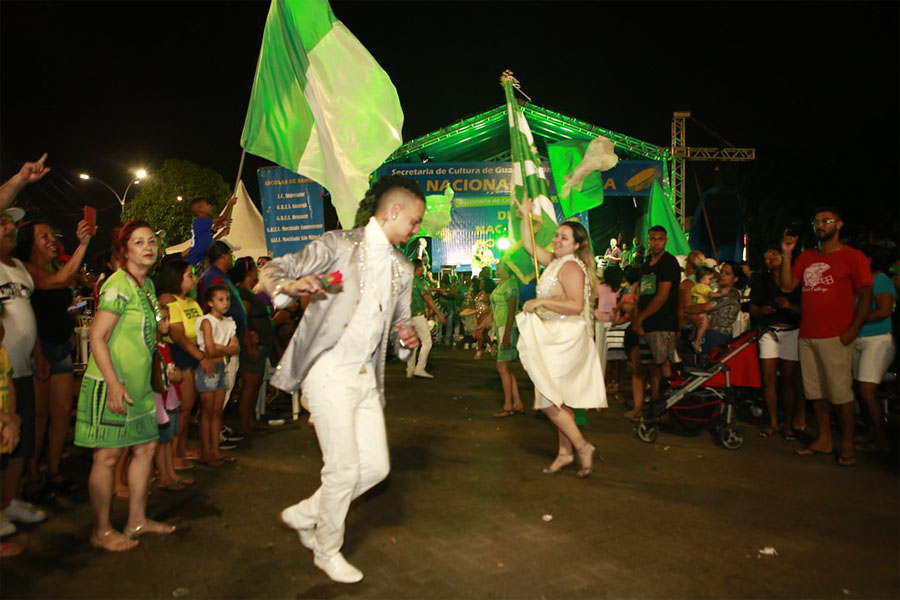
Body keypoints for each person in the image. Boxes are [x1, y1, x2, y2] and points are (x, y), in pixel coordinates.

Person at [261, 176, 423, 584]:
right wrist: (289, 285)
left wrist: (406, 336)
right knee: (344, 469)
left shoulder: (403, 269)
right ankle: (325, 549)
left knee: (376, 468)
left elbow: (399, 324)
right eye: (414, 221)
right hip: (326, 369)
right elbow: (272, 272)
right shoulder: (336, 245)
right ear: (394, 212)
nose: (416, 230)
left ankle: (304, 514)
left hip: (366, 376)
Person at [74, 220, 175, 552]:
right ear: (124, 250)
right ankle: (101, 530)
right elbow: (98, 337)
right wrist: (114, 384)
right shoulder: (118, 283)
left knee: (146, 448)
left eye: (151, 242)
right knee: (107, 457)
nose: (148, 247)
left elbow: (144, 332)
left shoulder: (145, 285)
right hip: (111, 384)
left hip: (140, 386)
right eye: (138, 242)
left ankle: (137, 520)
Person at [513, 197, 606, 479]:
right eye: (556, 235)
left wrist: (541, 303)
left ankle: (581, 446)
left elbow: (576, 305)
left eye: (563, 237)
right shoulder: (556, 261)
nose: (556, 239)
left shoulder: (571, 267)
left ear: (577, 244)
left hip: (566, 336)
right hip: (555, 334)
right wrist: (524, 217)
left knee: (547, 398)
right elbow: (530, 246)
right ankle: (565, 453)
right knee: (557, 398)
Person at [780, 207, 873, 467]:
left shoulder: (852, 257)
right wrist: (787, 255)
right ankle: (823, 438)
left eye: (826, 221)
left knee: (840, 393)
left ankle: (847, 443)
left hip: (836, 336)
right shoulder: (807, 257)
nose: (820, 225)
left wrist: (853, 329)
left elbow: (866, 295)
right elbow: (787, 286)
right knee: (816, 392)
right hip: (808, 334)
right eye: (817, 221)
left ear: (839, 225)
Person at [14, 218, 93, 496]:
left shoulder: (55, 267)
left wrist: (70, 331)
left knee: (61, 414)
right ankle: (33, 473)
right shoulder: (26, 270)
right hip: (41, 350)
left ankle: (54, 470)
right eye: (43, 236)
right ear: (29, 243)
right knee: (40, 416)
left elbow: (63, 297)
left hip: (61, 348)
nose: (51, 239)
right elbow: (57, 283)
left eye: (52, 234)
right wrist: (83, 244)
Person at [0, 206, 49, 528]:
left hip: (22, 368)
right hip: (1, 371)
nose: (9, 227)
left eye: (11, 223)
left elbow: (26, 311)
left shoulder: (19, 267)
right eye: (2, 222)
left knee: (20, 439)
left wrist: (38, 352)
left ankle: (9, 502)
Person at [156, 259, 210, 468]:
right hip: (181, 355)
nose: (194, 279)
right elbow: (179, 336)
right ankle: (172, 456)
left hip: (194, 354)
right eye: (189, 275)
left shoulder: (191, 301)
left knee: (189, 406)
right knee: (182, 407)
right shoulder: (170, 302)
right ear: (176, 278)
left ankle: (182, 448)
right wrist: (201, 356)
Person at [749, 249, 803, 440]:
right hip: (768, 331)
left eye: (774, 255)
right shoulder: (761, 279)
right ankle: (773, 421)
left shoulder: (795, 280)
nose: (770, 259)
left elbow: (803, 309)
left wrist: (787, 306)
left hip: (791, 331)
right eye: (767, 256)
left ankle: (788, 424)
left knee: (789, 380)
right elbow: (752, 308)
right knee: (769, 379)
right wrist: (762, 311)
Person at [630, 226, 681, 412]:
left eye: (660, 239)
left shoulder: (669, 262)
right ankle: (656, 407)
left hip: (662, 323)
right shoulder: (645, 264)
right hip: (646, 326)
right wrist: (637, 318)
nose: (656, 242)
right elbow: (641, 292)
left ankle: (669, 410)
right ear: (648, 240)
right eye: (653, 239)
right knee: (651, 368)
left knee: (664, 367)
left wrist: (640, 318)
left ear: (665, 241)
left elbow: (662, 296)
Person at [852, 245, 895, 452]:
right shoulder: (860, 282)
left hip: (877, 339)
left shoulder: (881, 281)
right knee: (861, 390)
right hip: (858, 339)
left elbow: (885, 310)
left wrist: (855, 320)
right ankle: (871, 433)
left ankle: (881, 437)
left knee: (867, 390)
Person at [194, 284, 239, 467]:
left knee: (217, 411)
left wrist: (222, 348)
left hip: (222, 367)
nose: (225, 303)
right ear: (210, 302)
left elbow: (236, 347)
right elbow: (210, 349)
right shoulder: (206, 321)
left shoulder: (228, 322)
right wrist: (224, 349)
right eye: (220, 300)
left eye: (227, 299)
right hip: (210, 369)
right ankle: (206, 451)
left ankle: (215, 450)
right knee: (208, 412)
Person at [230, 256, 275, 435]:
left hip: (259, 343)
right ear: (249, 272)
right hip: (251, 345)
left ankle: (250, 420)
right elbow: (243, 319)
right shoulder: (243, 294)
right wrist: (249, 341)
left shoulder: (249, 292)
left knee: (255, 383)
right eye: (255, 269)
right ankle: (245, 422)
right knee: (249, 383)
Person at [152, 305, 190, 491]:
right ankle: (165, 476)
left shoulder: (165, 347)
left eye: (168, 319)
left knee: (168, 439)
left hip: (170, 398)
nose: (167, 323)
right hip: (159, 400)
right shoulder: (152, 348)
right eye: (163, 319)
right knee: (163, 440)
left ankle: (170, 473)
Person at [481, 260, 523, 417]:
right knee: (506, 367)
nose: (497, 267)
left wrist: (506, 335)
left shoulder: (511, 286)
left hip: (507, 328)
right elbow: (495, 310)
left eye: (500, 266)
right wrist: (482, 325)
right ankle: (517, 402)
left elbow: (511, 311)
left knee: (502, 366)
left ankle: (508, 406)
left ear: (508, 269)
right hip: (500, 327)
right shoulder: (501, 285)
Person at [684, 261, 745, 353]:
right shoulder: (715, 290)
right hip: (708, 332)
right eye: (721, 272)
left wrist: (687, 309)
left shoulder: (731, 294)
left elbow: (705, 307)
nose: (722, 275)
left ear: (735, 278)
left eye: (727, 273)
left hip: (718, 335)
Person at [406, 259, 444, 378]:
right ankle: (420, 368)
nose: (424, 269)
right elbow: (428, 298)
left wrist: (438, 289)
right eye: (422, 267)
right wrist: (439, 314)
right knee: (427, 342)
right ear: (418, 269)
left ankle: (410, 369)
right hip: (418, 316)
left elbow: (426, 289)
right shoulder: (419, 282)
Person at [184, 196, 235, 266]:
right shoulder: (200, 222)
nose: (209, 206)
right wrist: (229, 204)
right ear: (200, 209)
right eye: (207, 205)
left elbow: (209, 242)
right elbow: (222, 218)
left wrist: (222, 233)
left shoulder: (201, 225)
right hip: (195, 261)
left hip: (199, 259)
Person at [687, 266, 726, 353]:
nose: (711, 282)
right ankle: (696, 342)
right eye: (710, 279)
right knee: (704, 325)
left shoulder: (699, 286)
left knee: (704, 326)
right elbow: (710, 294)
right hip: (700, 309)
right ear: (701, 279)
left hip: (699, 309)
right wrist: (720, 294)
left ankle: (699, 339)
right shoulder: (701, 286)